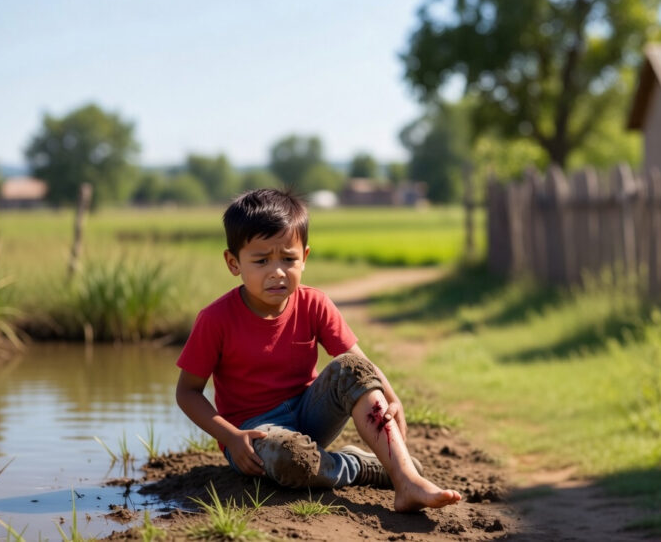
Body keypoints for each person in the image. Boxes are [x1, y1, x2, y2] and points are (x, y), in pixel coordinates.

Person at [175, 188, 462, 512]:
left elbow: (360, 367)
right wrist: (230, 437)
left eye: (288, 258)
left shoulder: (314, 303)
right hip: (254, 436)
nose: (277, 271)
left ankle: (406, 478)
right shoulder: (215, 319)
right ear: (233, 263)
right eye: (261, 261)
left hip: (310, 414)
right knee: (291, 460)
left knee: (349, 366)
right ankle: (357, 466)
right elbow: (187, 392)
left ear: (305, 258)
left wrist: (392, 399)